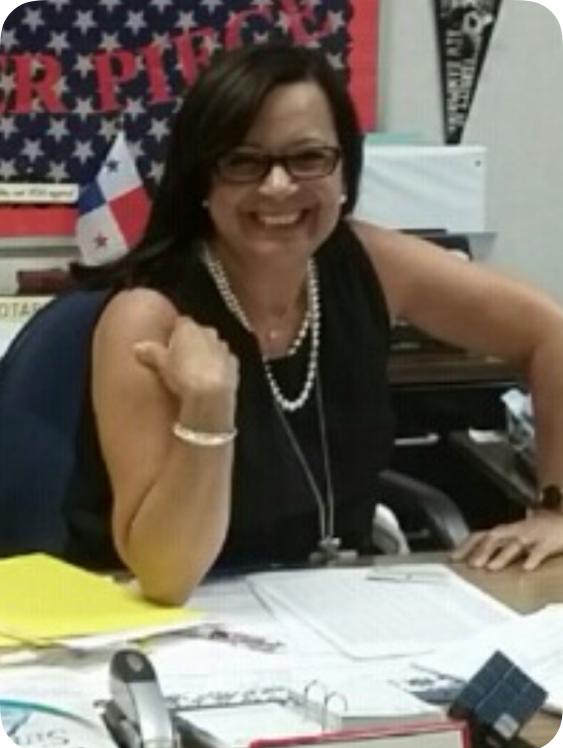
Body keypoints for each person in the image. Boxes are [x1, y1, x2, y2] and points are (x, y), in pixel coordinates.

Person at [73, 43, 563, 605]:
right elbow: (165, 578)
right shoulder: (147, 317)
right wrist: (206, 410)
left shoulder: (372, 262)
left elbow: (551, 332)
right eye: (243, 161)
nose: (278, 186)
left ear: (344, 171)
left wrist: (556, 510)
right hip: (169, 626)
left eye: (308, 158)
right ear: (203, 182)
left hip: (333, 611)